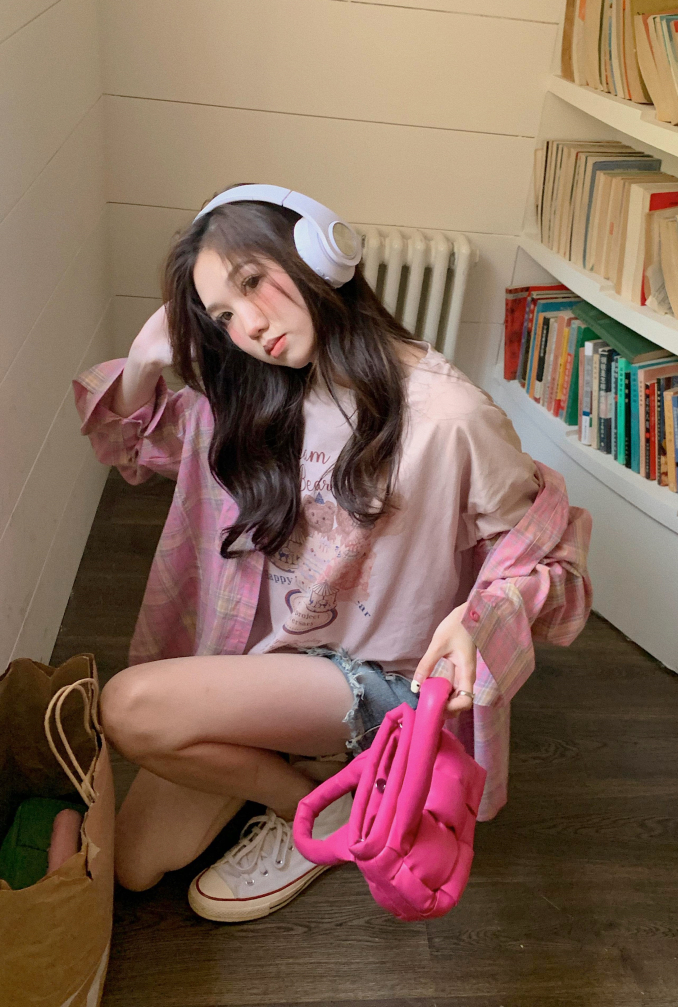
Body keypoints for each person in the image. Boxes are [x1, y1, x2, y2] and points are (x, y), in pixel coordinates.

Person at [72, 185, 592, 923]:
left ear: (321, 255)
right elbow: (130, 446)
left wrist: (481, 618)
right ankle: (312, 777)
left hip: (380, 686)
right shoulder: (255, 395)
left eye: (254, 282)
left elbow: (555, 568)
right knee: (134, 866)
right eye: (222, 316)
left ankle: (324, 808)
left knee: (129, 709)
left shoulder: (448, 418)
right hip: (272, 665)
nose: (249, 325)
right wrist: (146, 358)